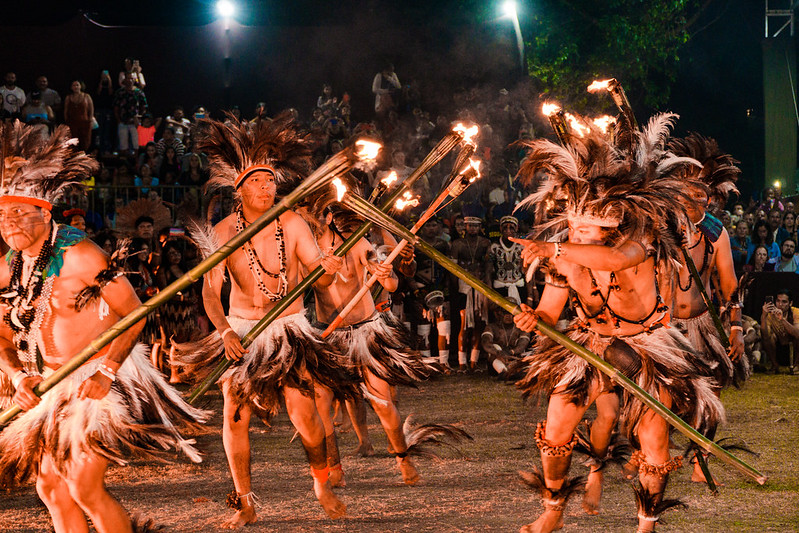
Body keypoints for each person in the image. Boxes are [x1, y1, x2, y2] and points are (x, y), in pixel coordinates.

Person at [510, 114, 723, 532]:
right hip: (589, 344)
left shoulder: (638, 244)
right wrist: (532, 319)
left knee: (655, 443)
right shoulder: (567, 257)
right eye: (572, 227)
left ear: (608, 226)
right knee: (556, 428)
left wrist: (554, 251)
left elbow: (611, 261)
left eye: (585, 229)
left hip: (647, 347)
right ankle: (553, 509)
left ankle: (645, 523)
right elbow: (551, 312)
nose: (575, 234)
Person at [0, 122, 208, 533]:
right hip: (46, 383)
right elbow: (3, 335)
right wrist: (17, 374)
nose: (9, 223)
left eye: (19, 213)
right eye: (2, 215)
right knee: (50, 488)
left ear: (45, 212)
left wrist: (106, 370)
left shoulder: (80, 253)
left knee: (82, 486)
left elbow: (135, 313)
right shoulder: (10, 265)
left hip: (101, 374)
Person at [172, 114, 351, 528]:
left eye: (272, 181)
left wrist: (328, 265)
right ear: (239, 189)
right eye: (258, 181)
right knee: (235, 416)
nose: (268, 187)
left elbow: (317, 275)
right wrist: (223, 331)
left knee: (304, 414)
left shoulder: (291, 222)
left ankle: (321, 484)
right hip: (241, 329)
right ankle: (244, 502)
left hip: (289, 327)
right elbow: (208, 292)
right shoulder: (222, 232)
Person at [301, 187, 433, 487]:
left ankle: (403, 458)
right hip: (329, 333)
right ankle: (334, 467)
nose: (352, 231)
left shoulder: (360, 244)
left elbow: (390, 280)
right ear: (332, 219)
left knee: (383, 402)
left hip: (366, 331)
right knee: (321, 402)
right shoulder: (312, 248)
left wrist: (385, 274)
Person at [667, 134, 748, 483]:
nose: (694, 198)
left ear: (710, 196)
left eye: (701, 192)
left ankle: (700, 457)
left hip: (702, 323)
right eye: (687, 190)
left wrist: (735, 327)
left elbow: (729, 288)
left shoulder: (716, 235)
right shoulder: (660, 227)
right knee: (664, 396)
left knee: (710, 395)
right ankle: (648, 452)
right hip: (665, 326)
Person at [450, 216, 490, 371]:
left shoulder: (486, 243)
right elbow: (453, 270)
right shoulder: (457, 244)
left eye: (476, 225)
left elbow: (488, 267)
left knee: (479, 325)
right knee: (464, 325)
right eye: (469, 225)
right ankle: (462, 363)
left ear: (480, 227)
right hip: (463, 288)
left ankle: (473, 362)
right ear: (464, 227)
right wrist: (456, 288)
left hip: (480, 286)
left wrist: (487, 285)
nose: (472, 228)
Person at [481, 298, 530, 376]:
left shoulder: (521, 328)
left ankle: (512, 372)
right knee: (494, 347)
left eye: (510, 312)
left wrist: (510, 352)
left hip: (514, 359)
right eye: (505, 312)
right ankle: (503, 373)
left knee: (526, 353)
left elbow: (522, 345)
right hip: (496, 362)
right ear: (500, 313)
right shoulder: (491, 327)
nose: (508, 316)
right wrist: (499, 353)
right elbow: (486, 343)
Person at [760, 289, 799, 374]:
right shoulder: (770, 315)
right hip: (777, 344)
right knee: (768, 337)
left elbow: (797, 334)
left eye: (784, 302)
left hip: (793, 342)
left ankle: (797, 365)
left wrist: (782, 320)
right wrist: (763, 315)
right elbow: (765, 336)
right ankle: (775, 365)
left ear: (790, 303)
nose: (780, 304)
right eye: (778, 301)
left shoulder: (795, 312)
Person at [113, 75, 147, 156]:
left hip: (135, 122)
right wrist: (118, 120)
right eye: (128, 78)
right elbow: (116, 106)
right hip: (123, 121)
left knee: (136, 144)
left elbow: (144, 106)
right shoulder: (120, 92)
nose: (130, 80)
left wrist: (140, 118)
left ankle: (136, 162)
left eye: (132, 78)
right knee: (123, 144)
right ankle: (123, 162)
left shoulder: (138, 92)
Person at [63, 80, 94, 151]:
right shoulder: (68, 97)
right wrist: (67, 121)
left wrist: (90, 120)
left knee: (85, 142)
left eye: (77, 85)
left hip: (85, 123)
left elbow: (91, 109)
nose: (75, 87)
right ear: (71, 87)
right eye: (74, 85)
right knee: (73, 142)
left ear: (81, 86)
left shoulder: (87, 96)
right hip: (72, 123)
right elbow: (66, 110)